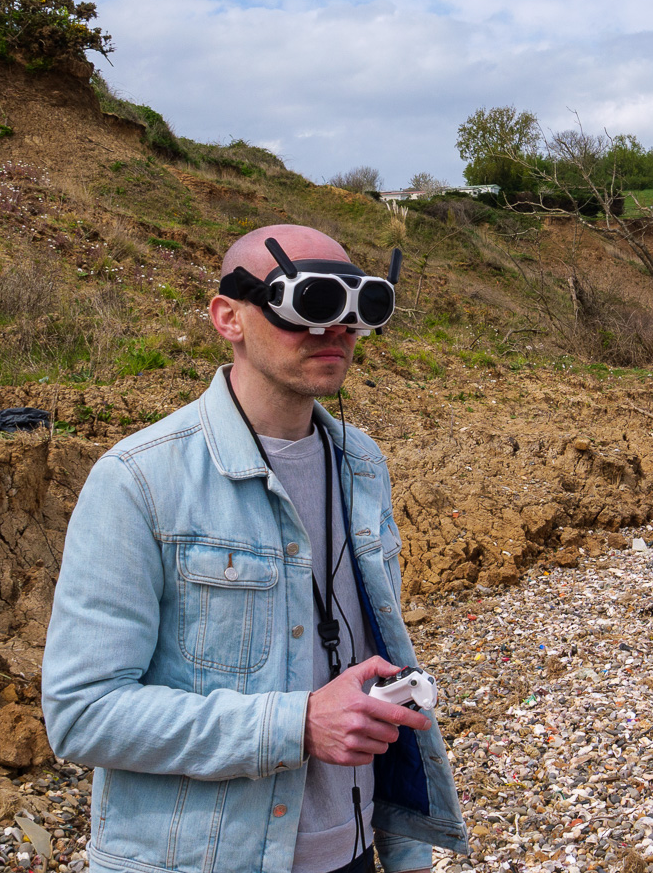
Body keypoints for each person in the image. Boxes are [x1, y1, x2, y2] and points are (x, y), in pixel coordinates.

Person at [43, 225, 466, 873]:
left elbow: (372, 659)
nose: (338, 329)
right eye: (312, 303)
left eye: (358, 307)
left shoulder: (361, 464)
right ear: (228, 317)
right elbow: (81, 712)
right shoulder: (139, 480)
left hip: (351, 852)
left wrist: (405, 853)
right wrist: (295, 725)